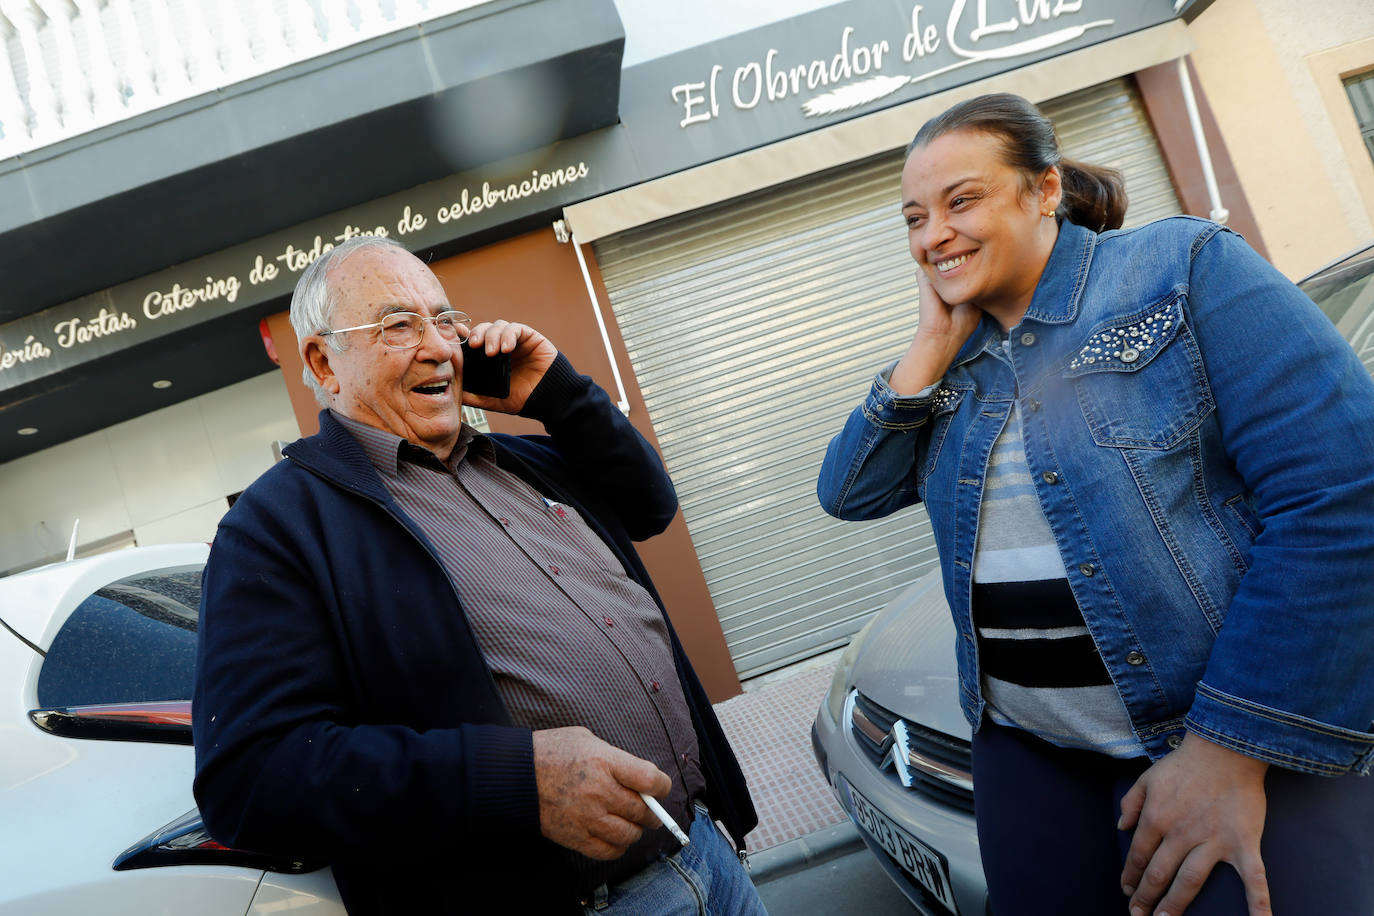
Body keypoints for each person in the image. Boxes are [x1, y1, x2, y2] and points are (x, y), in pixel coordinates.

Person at [817, 93, 1374, 916]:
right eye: (914, 217)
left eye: (961, 200)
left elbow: (1339, 496)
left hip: (1214, 741)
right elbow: (849, 493)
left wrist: (1228, 749)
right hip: (1031, 764)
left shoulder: (1178, 267)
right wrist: (930, 345)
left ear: (1044, 190)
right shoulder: (953, 363)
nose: (932, 234)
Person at [192, 235, 765, 915]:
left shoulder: (521, 460)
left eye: (446, 320)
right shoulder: (277, 527)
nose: (439, 347)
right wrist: (518, 781)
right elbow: (251, 778)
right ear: (324, 359)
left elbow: (651, 506)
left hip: (707, 854)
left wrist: (559, 395)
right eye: (399, 325)